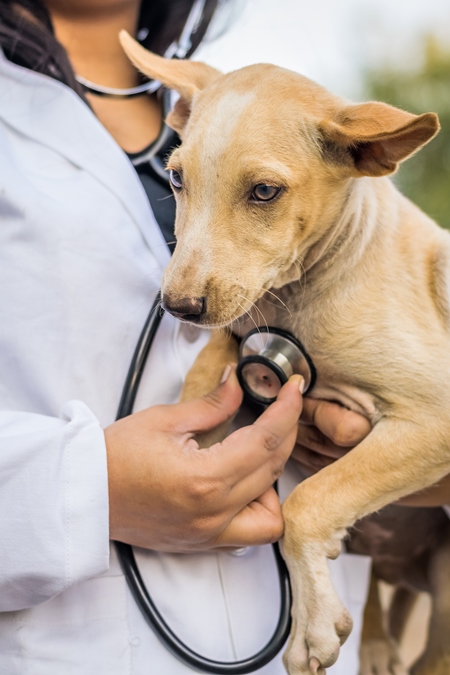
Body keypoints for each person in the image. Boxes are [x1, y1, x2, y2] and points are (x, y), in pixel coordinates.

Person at [1, 1, 442, 673]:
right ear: (186, 129)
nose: (183, 290)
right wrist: (89, 489)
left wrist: (419, 478)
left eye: (261, 191)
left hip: (300, 629)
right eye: (180, 180)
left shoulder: (263, 122)